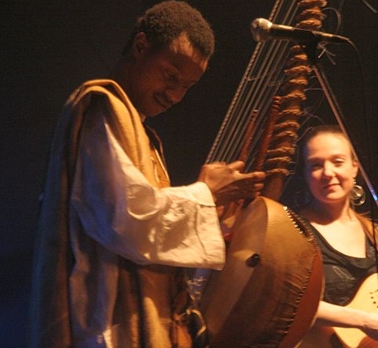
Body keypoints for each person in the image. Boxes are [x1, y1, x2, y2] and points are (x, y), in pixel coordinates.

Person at [27, 1, 265, 347]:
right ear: (140, 47)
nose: (175, 95)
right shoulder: (102, 106)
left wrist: (216, 216)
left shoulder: (142, 133)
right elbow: (126, 218)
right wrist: (204, 193)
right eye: (171, 76)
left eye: (187, 86)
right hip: (100, 327)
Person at [288, 125, 378, 346]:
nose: (328, 173)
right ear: (305, 175)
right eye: (316, 165)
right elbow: (291, 304)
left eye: (337, 162)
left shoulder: (376, 235)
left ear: (354, 168)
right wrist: (362, 321)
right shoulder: (294, 232)